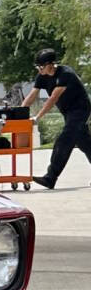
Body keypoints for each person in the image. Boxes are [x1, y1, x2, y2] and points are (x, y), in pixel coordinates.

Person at [24, 49, 91, 189]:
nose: (39, 69)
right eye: (38, 67)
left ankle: (50, 178)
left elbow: (53, 98)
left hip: (80, 110)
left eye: (41, 66)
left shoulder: (66, 74)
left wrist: (37, 117)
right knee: (85, 143)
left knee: (64, 140)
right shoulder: (41, 76)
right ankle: (50, 177)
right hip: (68, 113)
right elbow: (32, 95)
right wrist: (19, 112)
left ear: (50, 65)